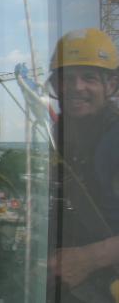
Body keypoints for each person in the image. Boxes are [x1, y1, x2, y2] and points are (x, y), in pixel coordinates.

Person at [47, 28, 119, 302]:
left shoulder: (114, 138)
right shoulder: (64, 135)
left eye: (89, 78)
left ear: (110, 85)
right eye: (67, 79)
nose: (77, 88)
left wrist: (90, 258)